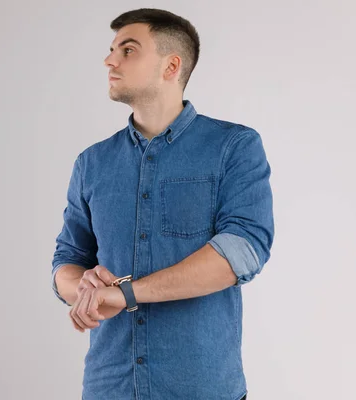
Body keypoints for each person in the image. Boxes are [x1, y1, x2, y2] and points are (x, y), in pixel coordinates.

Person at [51, 8, 273, 400]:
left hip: (201, 389)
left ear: (171, 66)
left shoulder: (233, 147)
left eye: (128, 49)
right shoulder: (92, 163)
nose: (109, 60)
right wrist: (81, 287)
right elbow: (66, 261)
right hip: (109, 387)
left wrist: (126, 293)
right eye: (112, 49)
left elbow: (242, 252)